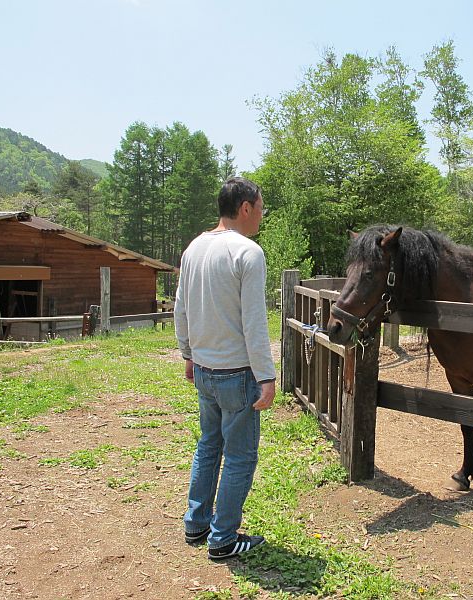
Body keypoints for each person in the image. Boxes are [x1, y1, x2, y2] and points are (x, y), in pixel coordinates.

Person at [174, 176, 276, 560]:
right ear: (245, 208)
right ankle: (223, 538)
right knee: (239, 456)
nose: (261, 217)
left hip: (204, 369)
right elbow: (254, 322)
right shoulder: (248, 252)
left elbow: (180, 308)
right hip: (237, 373)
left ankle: (196, 522)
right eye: (261, 208)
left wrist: (188, 354)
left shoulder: (193, 249)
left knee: (208, 445)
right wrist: (266, 376)